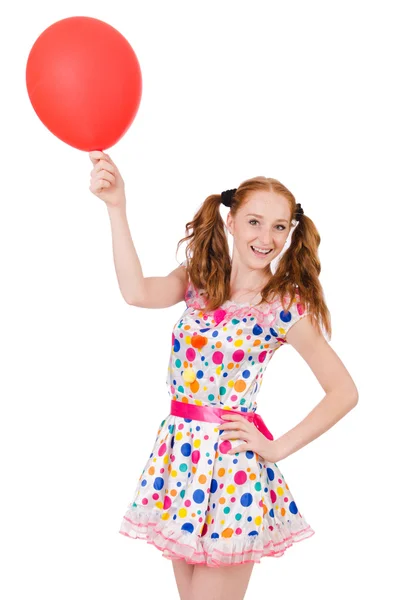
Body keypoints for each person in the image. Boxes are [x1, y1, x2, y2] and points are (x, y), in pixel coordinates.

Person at [88, 150, 359, 600]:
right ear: (231, 221)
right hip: (179, 461)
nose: (266, 237)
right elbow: (136, 292)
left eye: (279, 226)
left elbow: (343, 391)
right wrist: (116, 206)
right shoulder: (199, 279)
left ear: (290, 232)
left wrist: (275, 448)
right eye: (254, 222)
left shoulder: (284, 306)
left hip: (232, 470)